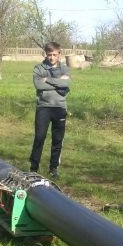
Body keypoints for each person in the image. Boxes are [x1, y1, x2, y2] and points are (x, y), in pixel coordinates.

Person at [30, 41, 70, 177]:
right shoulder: (39, 68)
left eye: (54, 54)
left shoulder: (64, 69)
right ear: (45, 54)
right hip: (44, 107)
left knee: (57, 140)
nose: (52, 57)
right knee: (39, 137)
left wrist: (47, 80)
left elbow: (66, 83)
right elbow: (38, 86)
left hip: (59, 107)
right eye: (49, 55)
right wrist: (59, 85)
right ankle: (33, 168)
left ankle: (53, 169)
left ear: (59, 54)